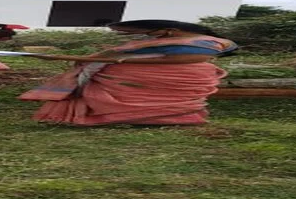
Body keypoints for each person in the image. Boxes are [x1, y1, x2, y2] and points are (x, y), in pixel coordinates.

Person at [17, 20, 238, 126]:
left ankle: (148, 117)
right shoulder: (189, 41)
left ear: (170, 31)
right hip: (144, 74)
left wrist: (62, 58)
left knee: (141, 96)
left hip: (171, 75)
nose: (151, 37)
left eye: (153, 33)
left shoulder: (201, 44)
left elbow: (185, 59)